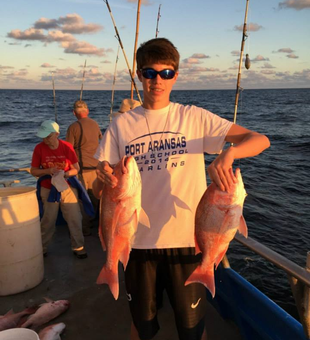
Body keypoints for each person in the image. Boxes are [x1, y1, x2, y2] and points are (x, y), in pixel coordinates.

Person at [93, 38, 270, 340]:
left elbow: (259, 139)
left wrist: (229, 153)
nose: (157, 81)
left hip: (189, 243)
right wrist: (103, 178)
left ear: (176, 75)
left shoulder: (194, 117)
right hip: (136, 243)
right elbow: (100, 186)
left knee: (192, 328)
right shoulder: (121, 125)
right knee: (142, 325)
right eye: (149, 73)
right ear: (139, 75)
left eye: (165, 73)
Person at [30, 120, 87, 259]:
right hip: (48, 188)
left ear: (57, 134)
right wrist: (48, 170)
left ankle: (78, 247)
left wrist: (65, 174)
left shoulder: (67, 147)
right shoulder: (39, 148)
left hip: (67, 187)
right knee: (48, 220)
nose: (46, 140)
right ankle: (42, 248)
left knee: (74, 217)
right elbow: (34, 171)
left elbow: (76, 169)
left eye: (48, 136)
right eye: (43, 136)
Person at [66, 100, 102, 236]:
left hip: (81, 170)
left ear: (74, 113)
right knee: (96, 198)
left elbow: (68, 149)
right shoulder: (95, 124)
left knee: (83, 200)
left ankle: (85, 229)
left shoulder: (73, 127)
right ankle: (99, 227)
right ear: (87, 111)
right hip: (96, 167)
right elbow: (100, 138)